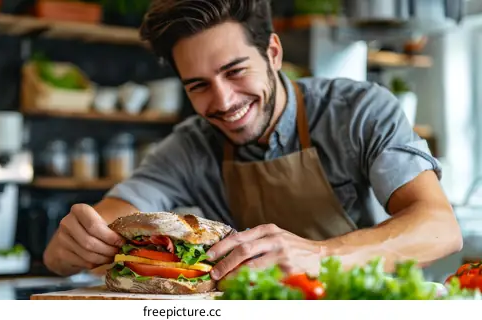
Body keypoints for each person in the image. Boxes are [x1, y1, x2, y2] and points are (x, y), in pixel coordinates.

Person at [43, 0, 462, 279]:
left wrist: (319, 255)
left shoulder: (358, 111)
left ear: (273, 54)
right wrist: (78, 241)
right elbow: (116, 216)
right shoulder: (191, 146)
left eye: (235, 71)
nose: (223, 102)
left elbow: (440, 229)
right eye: (198, 85)